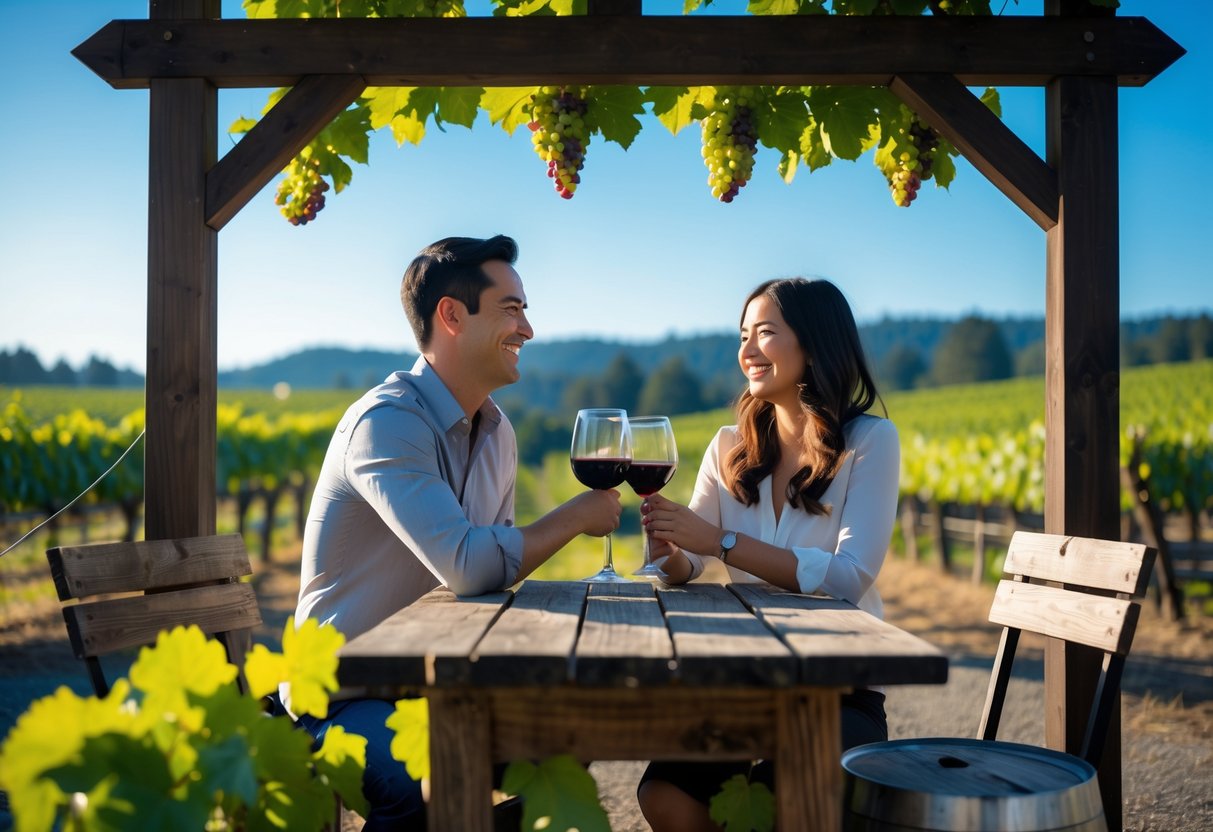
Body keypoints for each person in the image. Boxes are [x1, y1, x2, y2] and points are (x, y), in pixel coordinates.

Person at [286, 235, 622, 831]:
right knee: (421, 786)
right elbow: (470, 564)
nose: (529, 330)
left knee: (565, 744)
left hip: (432, 689)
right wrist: (573, 518)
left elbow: (493, 576)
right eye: (512, 309)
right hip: (340, 696)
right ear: (451, 316)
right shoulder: (386, 423)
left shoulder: (498, 433)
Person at [636, 277, 900, 832]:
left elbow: (849, 579)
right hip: (744, 680)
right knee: (664, 793)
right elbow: (694, 561)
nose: (747, 350)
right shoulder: (728, 445)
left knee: (798, 802)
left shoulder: (870, 441)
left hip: (837, 688)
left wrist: (724, 542)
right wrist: (668, 554)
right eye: (743, 335)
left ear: (814, 343)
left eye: (765, 333)